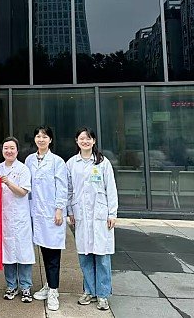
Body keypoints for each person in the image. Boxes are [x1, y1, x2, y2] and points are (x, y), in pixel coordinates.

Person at [67, 127, 118, 312]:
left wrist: (112, 213)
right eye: (82, 138)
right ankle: (89, 291)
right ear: (77, 141)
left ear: (94, 141)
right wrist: (70, 211)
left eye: (88, 138)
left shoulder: (103, 162)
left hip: (100, 215)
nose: (85, 141)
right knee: (85, 256)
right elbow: (69, 190)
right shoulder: (72, 163)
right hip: (81, 214)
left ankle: (102, 295)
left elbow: (111, 188)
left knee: (102, 257)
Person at [25, 126, 68, 312]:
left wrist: (59, 209)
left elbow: (63, 187)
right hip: (36, 212)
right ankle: (49, 284)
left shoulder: (57, 161)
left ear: (50, 140)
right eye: (38, 136)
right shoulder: (29, 160)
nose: (41, 139)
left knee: (53, 254)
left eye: (45, 136)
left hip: (52, 213)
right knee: (43, 249)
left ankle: (54, 291)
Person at [0, 137, 35, 303]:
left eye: (12, 148)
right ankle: (11, 286)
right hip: (4, 217)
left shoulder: (23, 169)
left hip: (20, 217)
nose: (9, 151)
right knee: (8, 254)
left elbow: (23, 192)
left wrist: (8, 182)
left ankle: (25, 287)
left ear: (17, 151)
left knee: (23, 253)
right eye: (6, 148)